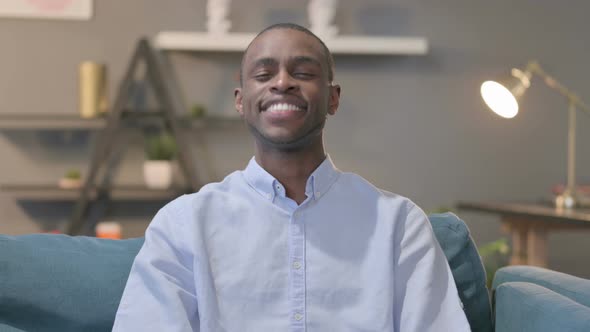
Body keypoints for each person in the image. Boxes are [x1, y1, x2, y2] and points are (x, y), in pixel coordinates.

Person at [113, 23, 470, 331]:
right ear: (241, 101)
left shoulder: (399, 224)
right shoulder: (183, 224)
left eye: (303, 73)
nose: (282, 83)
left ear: (333, 98)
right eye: (264, 74)